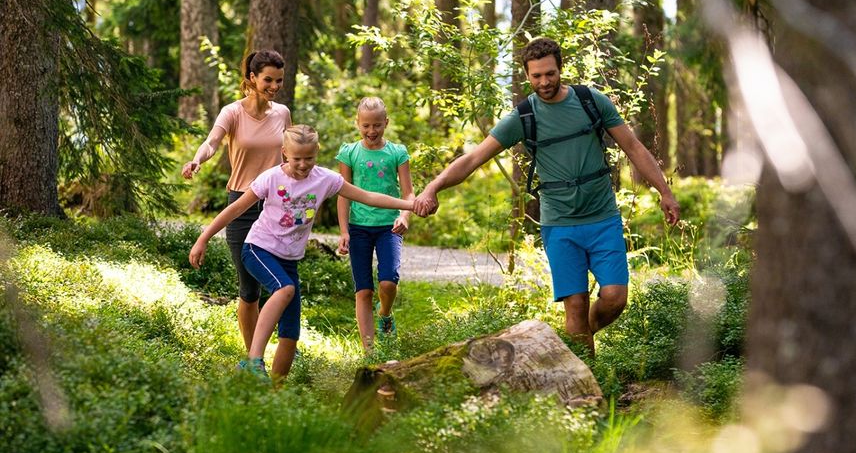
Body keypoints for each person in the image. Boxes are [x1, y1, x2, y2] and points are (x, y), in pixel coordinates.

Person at [414, 37, 681, 357]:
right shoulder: (524, 117)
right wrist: (432, 187)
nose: (544, 82)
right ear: (527, 75)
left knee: (615, 298)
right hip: (559, 224)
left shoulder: (591, 101)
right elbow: (473, 159)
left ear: (560, 69)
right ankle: (585, 387)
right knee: (576, 305)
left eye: (550, 74)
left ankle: (578, 337)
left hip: (602, 217)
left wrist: (664, 191)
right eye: (536, 76)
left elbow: (634, 148)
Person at [189, 125, 415, 380]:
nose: (303, 164)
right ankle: (252, 360)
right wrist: (203, 238)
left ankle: (275, 391)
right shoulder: (271, 178)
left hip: (289, 260)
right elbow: (235, 209)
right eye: (297, 158)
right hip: (258, 249)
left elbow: (368, 197)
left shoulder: (325, 179)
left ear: (317, 152)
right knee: (285, 289)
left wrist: (410, 205)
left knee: (290, 335)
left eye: (309, 158)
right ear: (284, 153)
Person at [181, 50, 290, 353]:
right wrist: (197, 160)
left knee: (280, 282)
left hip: (276, 206)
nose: (274, 86)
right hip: (241, 203)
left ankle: (275, 346)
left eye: (279, 80)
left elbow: (289, 155)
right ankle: (252, 357)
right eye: (268, 79)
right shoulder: (232, 112)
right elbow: (212, 142)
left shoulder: (282, 113)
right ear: (252, 78)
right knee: (249, 288)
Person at [335, 97, 414, 352]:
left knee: (388, 282)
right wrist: (344, 230)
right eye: (366, 125)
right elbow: (343, 192)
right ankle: (369, 351)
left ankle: (386, 315)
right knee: (363, 291)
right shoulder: (349, 153)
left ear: (386, 123)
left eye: (377, 125)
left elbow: (408, 193)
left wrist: (404, 216)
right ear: (358, 123)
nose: (372, 131)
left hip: (388, 226)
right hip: (358, 227)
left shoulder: (397, 152)